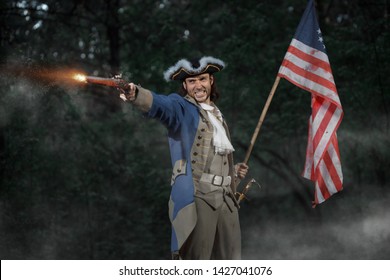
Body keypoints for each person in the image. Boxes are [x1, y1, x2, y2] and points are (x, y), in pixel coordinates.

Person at [119, 56, 249, 260]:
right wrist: (137, 94)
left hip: (227, 199)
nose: (198, 86)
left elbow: (214, 157)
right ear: (184, 85)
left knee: (231, 261)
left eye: (203, 79)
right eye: (192, 81)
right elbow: (162, 106)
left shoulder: (217, 114)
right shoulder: (181, 107)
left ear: (211, 81)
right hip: (201, 197)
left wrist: (233, 173)